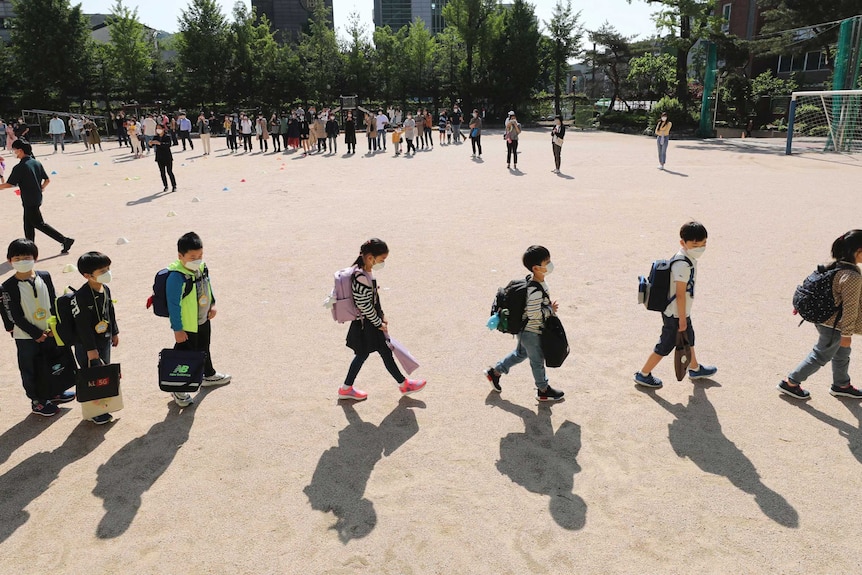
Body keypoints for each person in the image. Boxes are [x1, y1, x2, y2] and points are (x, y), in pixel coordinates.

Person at [338, 238, 427, 401]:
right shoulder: (361, 276)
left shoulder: (362, 271)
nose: (382, 263)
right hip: (368, 324)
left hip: (366, 323)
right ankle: (403, 384)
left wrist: (382, 315)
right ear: (370, 257)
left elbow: (372, 299)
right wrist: (378, 322)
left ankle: (346, 388)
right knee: (382, 352)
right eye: (382, 260)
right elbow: (364, 305)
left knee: (367, 354)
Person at [779, 231, 862, 400]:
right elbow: (850, 307)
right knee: (821, 354)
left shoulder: (834, 265)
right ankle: (791, 382)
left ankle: (841, 384)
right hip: (835, 324)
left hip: (824, 318)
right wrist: (846, 334)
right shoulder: (851, 275)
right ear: (858, 251)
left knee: (841, 353)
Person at [634, 221, 717, 389]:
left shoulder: (686, 257)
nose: (700, 247)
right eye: (695, 244)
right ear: (683, 243)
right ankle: (643, 374)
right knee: (666, 344)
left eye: (704, 243)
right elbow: (680, 294)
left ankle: (694, 368)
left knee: (688, 339)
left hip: (679, 312)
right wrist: (682, 319)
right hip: (676, 314)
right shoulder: (682, 264)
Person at [1, 238, 77, 416]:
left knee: (53, 361)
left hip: (50, 332)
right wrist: (36, 333)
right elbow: (14, 315)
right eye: (17, 258)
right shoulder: (7, 286)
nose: (22, 261)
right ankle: (37, 400)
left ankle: (54, 391)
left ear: (35, 258)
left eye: (26, 257)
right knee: (31, 367)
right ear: (9, 260)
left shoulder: (44, 276)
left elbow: (53, 302)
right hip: (26, 336)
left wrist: (54, 326)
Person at [484, 245, 565, 402]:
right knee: (537, 361)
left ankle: (495, 372)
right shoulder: (534, 289)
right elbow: (534, 313)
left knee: (520, 353)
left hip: (525, 330)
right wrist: (550, 310)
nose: (550, 264)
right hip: (531, 331)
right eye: (546, 262)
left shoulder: (533, 282)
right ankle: (543, 389)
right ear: (535, 268)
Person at [165, 232, 231, 407]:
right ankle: (177, 388)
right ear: (181, 256)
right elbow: (173, 305)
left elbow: (207, 285)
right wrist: (177, 329)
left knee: (204, 348)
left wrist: (212, 304)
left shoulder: (201, 268)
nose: (198, 259)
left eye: (200, 255)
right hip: (187, 326)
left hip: (203, 318)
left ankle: (208, 375)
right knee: (184, 356)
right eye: (193, 257)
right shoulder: (176, 277)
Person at [0, 141, 74, 254]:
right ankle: (29, 249)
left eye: (14, 150)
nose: (13, 152)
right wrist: (41, 188)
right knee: (28, 224)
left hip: (29, 199)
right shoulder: (36, 162)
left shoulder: (20, 166)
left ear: (20, 150)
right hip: (36, 197)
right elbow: (47, 180)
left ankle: (64, 240)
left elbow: (9, 184)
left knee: (38, 223)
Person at [72, 251, 119, 424]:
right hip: (87, 346)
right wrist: (91, 350)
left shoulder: (105, 288)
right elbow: (82, 327)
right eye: (102, 271)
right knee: (90, 377)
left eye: (108, 268)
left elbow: (110, 311)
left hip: (104, 340)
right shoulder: (81, 296)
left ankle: (102, 406)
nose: (107, 273)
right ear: (87, 275)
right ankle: (92, 411)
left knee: (103, 374)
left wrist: (114, 332)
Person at [149, 123, 177, 192]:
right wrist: (150, 143)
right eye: (157, 128)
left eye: (159, 128)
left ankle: (174, 186)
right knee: (162, 172)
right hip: (159, 157)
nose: (158, 130)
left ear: (163, 129)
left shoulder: (167, 136)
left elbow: (168, 145)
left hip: (167, 156)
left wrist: (160, 143)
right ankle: (165, 186)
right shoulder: (156, 137)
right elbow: (151, 145)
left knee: (169, 171)